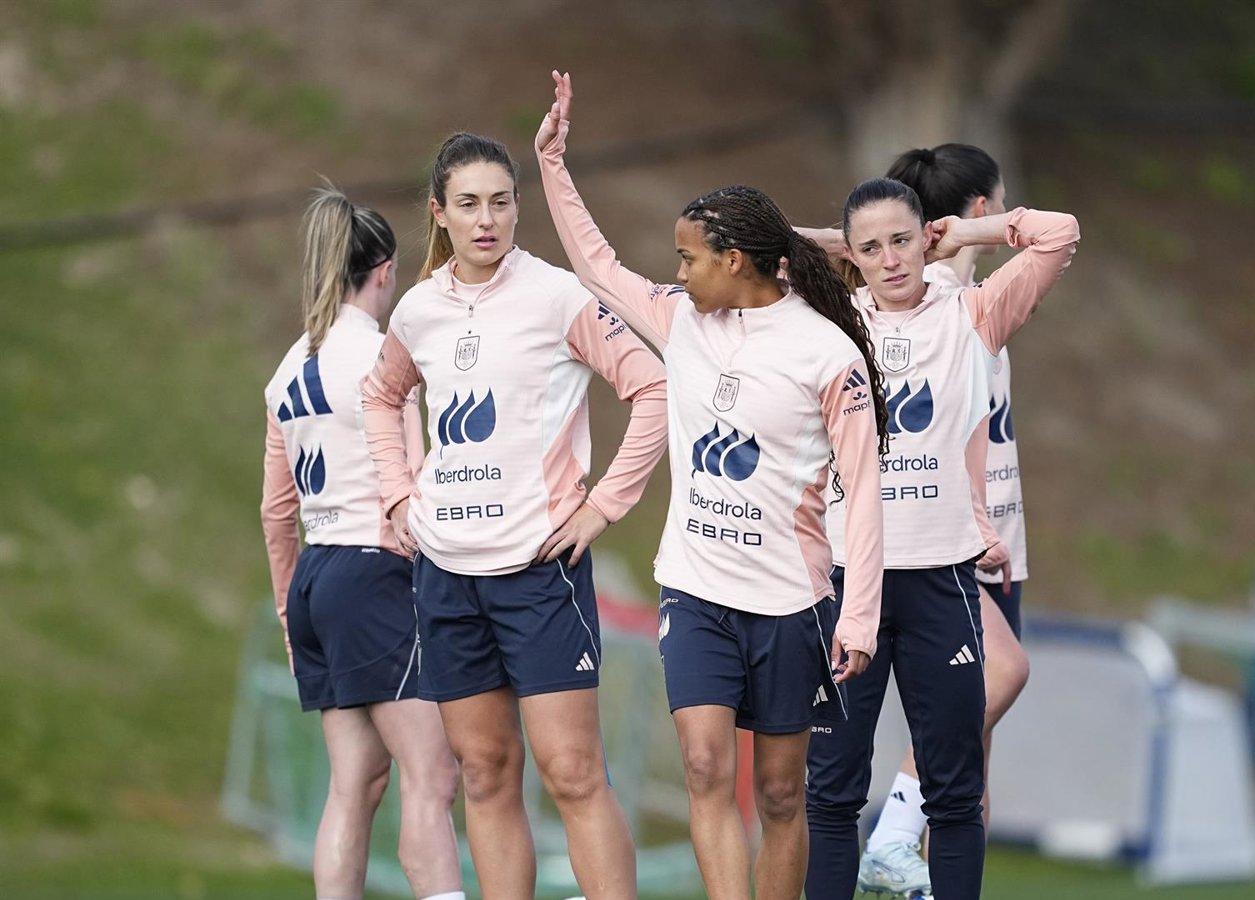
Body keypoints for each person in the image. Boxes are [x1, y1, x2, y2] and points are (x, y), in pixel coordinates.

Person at [534, 70, 885, 900]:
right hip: (693, 590)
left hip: (790, 605)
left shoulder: (827, 355)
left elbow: (863, 494)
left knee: (777, 793)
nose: (678, 272)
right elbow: (597, 267)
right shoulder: (680, 319)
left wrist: (859, 612)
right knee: (701, 765)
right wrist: (553, 164)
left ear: (735, 260)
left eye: (691, 258)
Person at [360, 131, 669, 900]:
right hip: (445, 575)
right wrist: (399, 496)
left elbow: (656, 388)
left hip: (540, 574)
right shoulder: (420, 310)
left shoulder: (557, 295)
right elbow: (381, 394)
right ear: (440, 213)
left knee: (571, 774)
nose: (487, 219)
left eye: (501, 202)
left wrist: (602, 507)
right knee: (486, 775)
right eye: (468, 204)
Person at [799, 177, 1080, 900]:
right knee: (831, 792)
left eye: (902, 240)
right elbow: (763, 250)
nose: (891, 260)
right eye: (871, 248)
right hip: (846, 584)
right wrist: (840, 249)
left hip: (942, 581)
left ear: (926, 236)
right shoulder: (829, 322)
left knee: (955, 792)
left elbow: (1060, 232)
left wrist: (970, 236)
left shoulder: (973, 314)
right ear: (852, 257)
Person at [261, 185, 463, 900]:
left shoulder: (286, 371)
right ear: (383, 271)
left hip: (317, 574)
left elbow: (274, 513)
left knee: (356, 781)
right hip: (374, 570)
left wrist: (291, 615)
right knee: (432, 774)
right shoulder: (383, 358)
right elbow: (414, 482)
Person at [849, 144, 1035, 897]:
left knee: (971, 770)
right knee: (1000, 680)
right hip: (946, 548)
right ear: (982, 210)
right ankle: (892, 832)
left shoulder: (965, 297)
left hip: (1000, 546)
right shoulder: (947, 304)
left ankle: (922, 864)